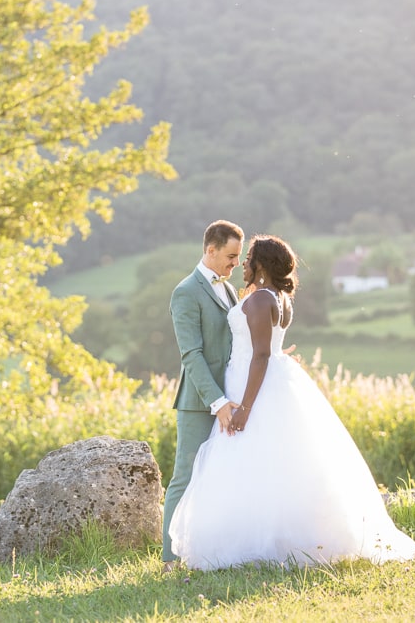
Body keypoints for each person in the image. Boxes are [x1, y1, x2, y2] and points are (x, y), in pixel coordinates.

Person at [169, 235, 415, 570]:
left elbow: (259, 354)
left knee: (248, 462)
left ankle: (251, 542)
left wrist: (243, 407)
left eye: (246, 259)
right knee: (277, 463)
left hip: (251, 385)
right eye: (235, 257)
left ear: (260, 265)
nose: (241, 264)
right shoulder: (280, 298)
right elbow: (266, 348)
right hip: (267, 381)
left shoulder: (257, 300)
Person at [162, 220, 245, 572]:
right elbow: (191, 355)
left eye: (239, 257)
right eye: (230, 256)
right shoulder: (185, 292)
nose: (235, 264)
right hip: (200, 402)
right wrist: (217, 401)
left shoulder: (228, 290)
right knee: (186, 475)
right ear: (210, 250)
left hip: (232, 397)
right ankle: (170, 558)